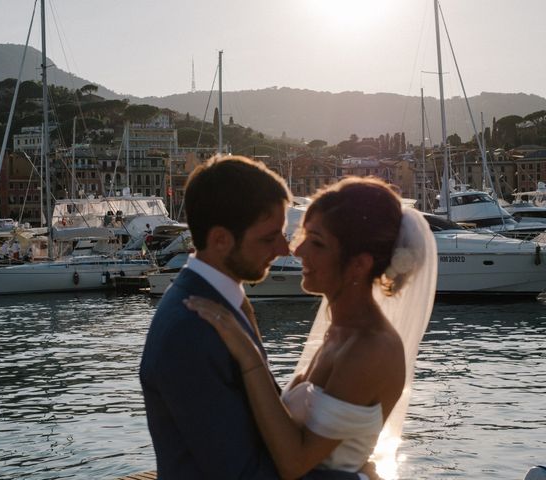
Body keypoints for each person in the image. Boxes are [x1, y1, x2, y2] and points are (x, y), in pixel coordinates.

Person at [185, 177, 437, 478]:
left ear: (359, 264)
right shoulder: (341, 332)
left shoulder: (371, 350)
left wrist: (247, 353)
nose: (298, 249)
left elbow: (295, 463)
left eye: (317, 242)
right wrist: (246, 316)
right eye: (303, 234)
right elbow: (285, 421)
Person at [140, 156, 362, 480]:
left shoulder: (220, 303)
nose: (285, 249)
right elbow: (241, 473)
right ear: (220, 240)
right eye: (269, 238)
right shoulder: (189, 331)